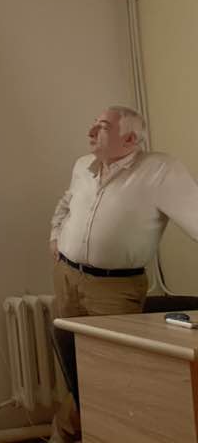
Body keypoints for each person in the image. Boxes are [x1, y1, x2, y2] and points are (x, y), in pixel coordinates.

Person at [48, 105, 198, 443]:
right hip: (67, 276)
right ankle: (72, 432)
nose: (90, 132)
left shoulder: (160, 171)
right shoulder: (82, 166)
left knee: (108, 376)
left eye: (102, 127)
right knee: (75, 369)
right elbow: (66, 203)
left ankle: (69, 433)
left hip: (114, 288)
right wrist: (55, 235)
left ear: (130, 139)